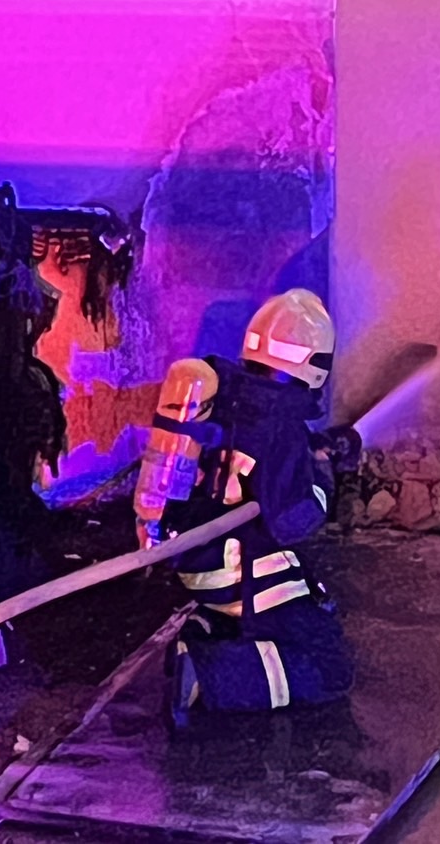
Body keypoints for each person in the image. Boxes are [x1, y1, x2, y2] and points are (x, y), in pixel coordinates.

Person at [138, 289, 358, 729]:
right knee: (328, 665)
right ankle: (208, 676)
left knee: (295, 615)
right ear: (315, 364)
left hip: (199, 558)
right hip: (242, 572)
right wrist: (323, 478)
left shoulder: (230, 397)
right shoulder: (282, 426)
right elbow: (293, 520)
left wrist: (311, 454)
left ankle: (206, 630)